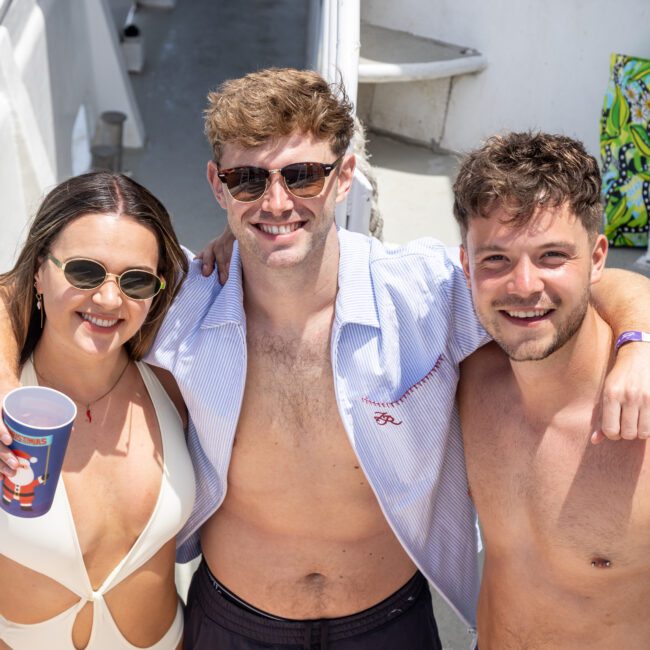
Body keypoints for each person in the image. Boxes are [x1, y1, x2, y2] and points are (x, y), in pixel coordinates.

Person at [0, 69, 648, 649]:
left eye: (302, 175)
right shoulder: (176, 297)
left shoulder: (423, 292)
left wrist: (637, 341)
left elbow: (566, 286)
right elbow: (15, 288)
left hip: (388, 621)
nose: (276, 203)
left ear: (343, 177)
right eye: (248, 179)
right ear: (217, 186)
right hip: (234, 621)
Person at [454, 132, 650, 648]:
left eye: (552, 256)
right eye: (495, 258)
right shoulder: (469, 379)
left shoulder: (642, 409)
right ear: (464, 262)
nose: (523, 286)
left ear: (599, 257)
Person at [0, 172, 195, 649]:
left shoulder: (174, 389)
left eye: (136, 281)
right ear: (40, 274)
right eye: (85, 272)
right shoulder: (9, 404)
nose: (110, 299)